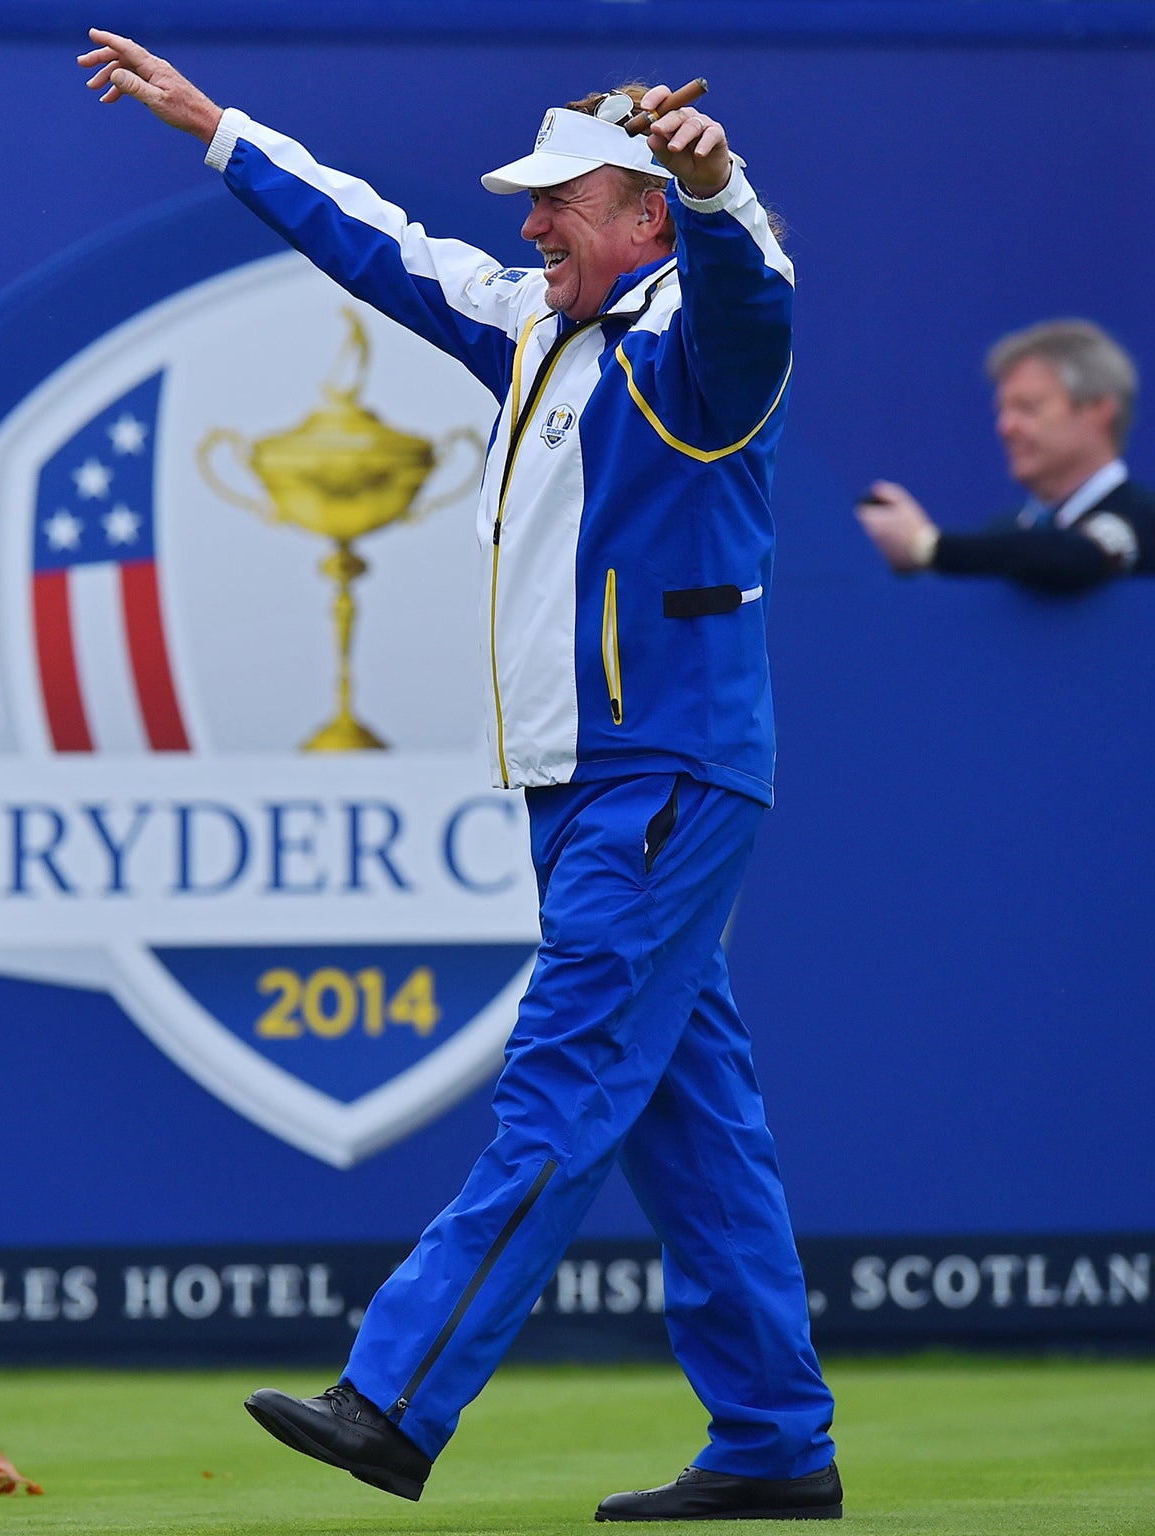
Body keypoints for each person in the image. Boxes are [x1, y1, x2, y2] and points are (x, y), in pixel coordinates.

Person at [79, 31, 839, 1524]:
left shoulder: (703, 327)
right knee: (695, 1129)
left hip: (661, 775)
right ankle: (773, 1445)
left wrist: (718, 182)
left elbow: (754, 288)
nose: (528, 221)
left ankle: (396, 1397)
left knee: (560, 1091)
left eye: (560, 201)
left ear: (641, 218)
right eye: (535, 200)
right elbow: (373, 240)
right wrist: (217, 127)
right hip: (593, 784)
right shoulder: (537, 321)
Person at [856, 320, 1148, 591]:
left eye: (1028, 408)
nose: (1005, 427)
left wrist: (925, 546)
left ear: (1098, 410)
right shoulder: (1005, 532)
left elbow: (1073, 557)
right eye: (1002, 411)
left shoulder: (1142, 517)